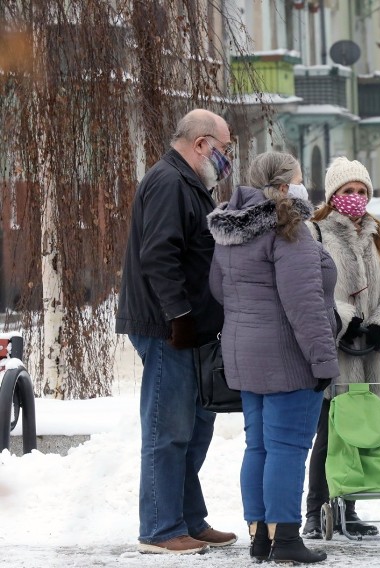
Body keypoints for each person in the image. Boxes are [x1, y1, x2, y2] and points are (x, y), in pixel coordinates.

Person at [116, 109, 237, 554]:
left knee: (196, 426)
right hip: (169, 328)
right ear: (202, 144)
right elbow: (159, 256)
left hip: (191, 329)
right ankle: (161, 529)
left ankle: (188, 518)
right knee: (168, 430)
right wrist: (181, 317)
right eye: (225, 149)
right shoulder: (169, 182)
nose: (227, 159)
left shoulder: (190, 184)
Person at [208, 151, 337, 564]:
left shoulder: (232, 229)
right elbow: (306, 305)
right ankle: (285, 539)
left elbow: (217, 289)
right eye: (299, 179)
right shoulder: (289, 230)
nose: (305, 186)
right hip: (288, 356)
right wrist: (323, 362)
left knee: (259, 446)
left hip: (244, 353)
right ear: (284, 187)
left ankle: (260, 537)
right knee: (288, 447)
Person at [302, 157, 380, 539]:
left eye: (362, 191)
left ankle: (348, 506)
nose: (356, 197)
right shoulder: (315, 233)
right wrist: (343, 320)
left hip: (372, 356)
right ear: (334, 195)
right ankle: (316, 510)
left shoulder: (377, 232)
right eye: (348, 191)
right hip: (335, 353)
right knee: (330, 433)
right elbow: (311, 290)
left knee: (365, 433)